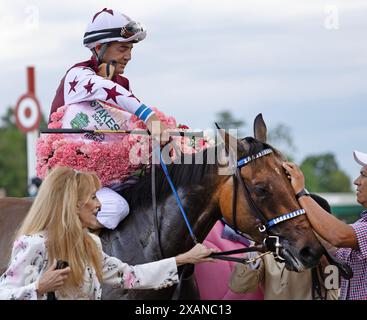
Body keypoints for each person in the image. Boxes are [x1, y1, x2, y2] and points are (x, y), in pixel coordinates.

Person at [43, 8, 173, 231]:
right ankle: (77, 255)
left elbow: (134, 124)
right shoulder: (78, 75)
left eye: (130, 49)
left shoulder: (124, 84)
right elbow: (107, 89)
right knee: (115, 208)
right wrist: (150, 117)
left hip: (110, 179)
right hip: (73, 180)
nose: (128, 56)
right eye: (123, 48)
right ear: (98, 47)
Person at [0, 167, 216, 300]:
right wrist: (38, 288)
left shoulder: (90, 245)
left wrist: (184, 259)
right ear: (74, 205)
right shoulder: (34, 245)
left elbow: (131, 276)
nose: (99, 204)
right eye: (93, 197)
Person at [282, 150, 367, 300]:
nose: (356, 181)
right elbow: (335, 276)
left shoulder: (348, 233)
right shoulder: (361, 223)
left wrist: (301, 192)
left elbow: (339, 236)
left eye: (364, 175)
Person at [228, 194, 338, 300]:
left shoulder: (332, 246)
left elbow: (333, 285)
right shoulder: (270, 242)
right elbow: (238, 287)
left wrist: (322, 251)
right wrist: (256, 249)